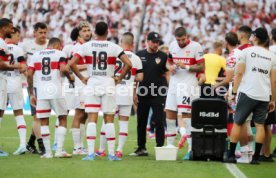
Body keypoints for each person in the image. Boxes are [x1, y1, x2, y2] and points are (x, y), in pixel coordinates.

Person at [70, 21, 132, 161]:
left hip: (92, 82)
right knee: (109, 119)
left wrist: (82, 77)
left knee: (92, 119)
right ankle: (111, 154)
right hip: (108, 82)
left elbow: (71, 63)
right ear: (107, 32)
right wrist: (119, 78)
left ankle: (91, 153)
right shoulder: (114, 46)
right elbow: (128, 63)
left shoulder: (86, 46)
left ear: (94, 32)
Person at [226, 27, 276, 165]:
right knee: (260, 125)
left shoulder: (245, 52)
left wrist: (234, 92)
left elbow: (239, 73)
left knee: (238, 122)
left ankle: (230, 156)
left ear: (254, 37)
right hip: (264, 95)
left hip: (247, 92)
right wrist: (273, 100)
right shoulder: (272, 56)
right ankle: (255, 158)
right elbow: (274, 80)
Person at [96, 32, 144, 158]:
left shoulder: (114, 55)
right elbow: (140, 77)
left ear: (121, 42)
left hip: (112, 92)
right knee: (124, 123)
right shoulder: (136, 58)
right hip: (127, 93)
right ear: (132, 43)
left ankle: (101, 150)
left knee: (106, 121)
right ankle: (119, 150)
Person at [27, 37, 73, 158]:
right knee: (62, 118)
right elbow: (63, 68)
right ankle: (59, 151)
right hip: (55, 90)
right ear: (57, 45)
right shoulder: (60, 54)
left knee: (44, 122)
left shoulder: (36, 55)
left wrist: (31, 93)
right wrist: (70, 77)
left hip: (41, 92)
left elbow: (29, 74)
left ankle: (48, 153)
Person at [165, 27, 205, 160]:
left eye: (182, 39)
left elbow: (201, 67)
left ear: (187, 36)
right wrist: (170, 67)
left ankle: (190, 149)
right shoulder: (172, 45)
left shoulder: (196, 46)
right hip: (174, 84)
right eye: (178, 40)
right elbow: (168, 62)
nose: (180, 42)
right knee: (169, 114)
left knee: (186, 116)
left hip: (188, 85)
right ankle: (170, 147)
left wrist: (186, 66)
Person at [129, 31, 168, 156]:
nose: (156, 44)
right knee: (141, 121)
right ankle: (141, 148)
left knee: (159, 120)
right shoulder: (138, 55)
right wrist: (134, 93)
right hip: (143, 93)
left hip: (158, 93)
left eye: (158, 42)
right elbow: (134, 76)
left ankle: (160, 147)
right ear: (147, 41)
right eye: (154, 42)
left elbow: (167, 72)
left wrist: (168, 88)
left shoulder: (163, 56)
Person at [60, 21, 92, 155]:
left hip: (87, 84)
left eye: (89, 30)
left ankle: (80, 145)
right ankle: (76, 147)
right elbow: (67, 66)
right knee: (79, 113)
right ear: (78, 33)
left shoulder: (90, 47)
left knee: (84, 114)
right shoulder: (73, 48)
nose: (87, 33)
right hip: (78, 85)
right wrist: (87, 67)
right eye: (84, 30)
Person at [21, 22, 48, 154]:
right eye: (40, 32)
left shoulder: (50, 45)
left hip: (48, 85)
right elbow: (20, 61)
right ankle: (41, 145)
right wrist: (27, 73)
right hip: (34, 85)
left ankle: (31, 143)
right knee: (37, 117)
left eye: (45, 32)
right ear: (34, 33)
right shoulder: (27, 45)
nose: (43, 35)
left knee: (42, 115)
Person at [0, 18, 23, 157]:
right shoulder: (1, 42)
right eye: (10, 27)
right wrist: (16, 66)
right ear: (4, 28)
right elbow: (1, 64)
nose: (12, 30)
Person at [5, 27, 27, 155]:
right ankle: (22, 145)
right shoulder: (18, 49)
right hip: (15, 82)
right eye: (17, 35)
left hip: (2, 82)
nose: (19, 38)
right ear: (12, 35)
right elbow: (23, 67)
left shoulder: (1, 47)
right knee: (18, 113)